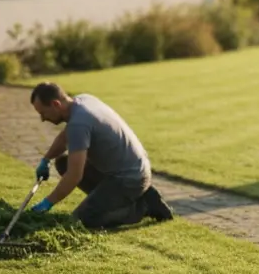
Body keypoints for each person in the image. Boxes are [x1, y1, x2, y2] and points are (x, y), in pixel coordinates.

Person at [27, 82, 174, 229]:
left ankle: (144, 206)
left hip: (129, 179)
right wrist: (46, 158)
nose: (43, 119)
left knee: (84, 220)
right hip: (131, 170)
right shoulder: (83, 100)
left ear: (56, 104)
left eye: (43, 113)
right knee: (63, 163)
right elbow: (65, 138)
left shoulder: (78, 124)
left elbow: (74, 176)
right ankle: (132, 196)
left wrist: (47, 202)